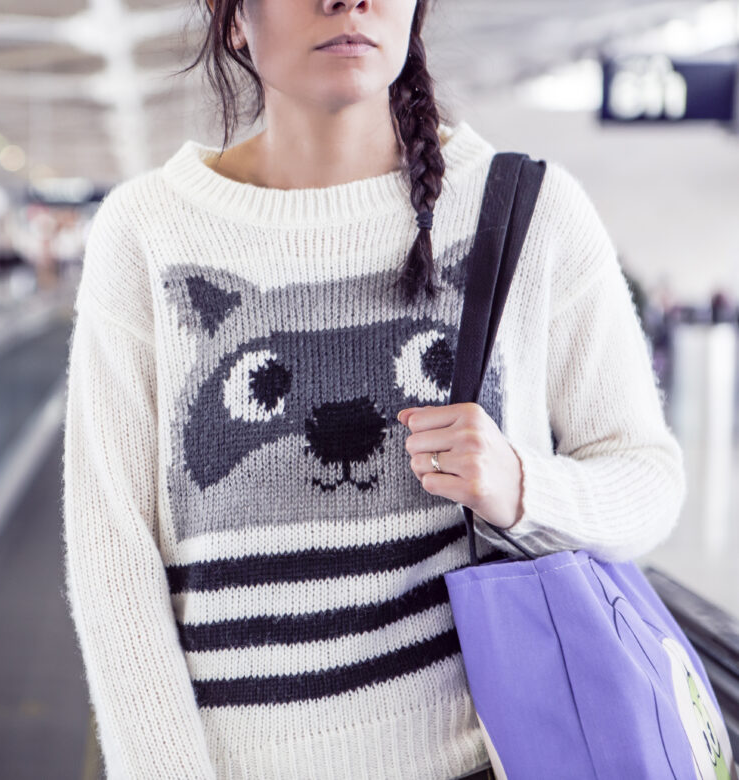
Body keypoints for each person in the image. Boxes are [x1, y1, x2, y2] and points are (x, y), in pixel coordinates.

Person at [60, 0, 687, 778]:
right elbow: (111, 551)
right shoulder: (150, 232)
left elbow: (647, 479)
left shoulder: (529, 213)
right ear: (232, 20)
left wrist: (524, 486)